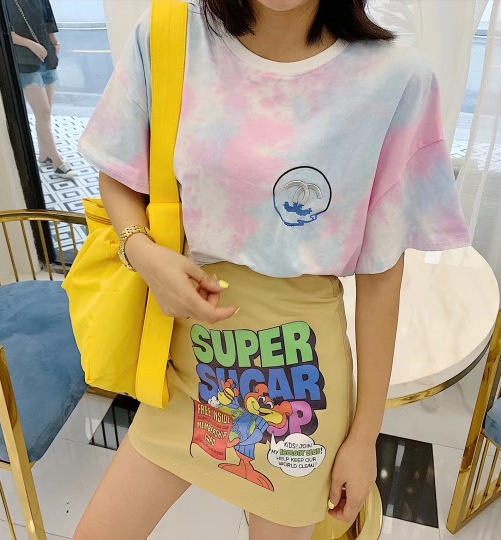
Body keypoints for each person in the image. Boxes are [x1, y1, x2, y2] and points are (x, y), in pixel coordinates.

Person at [73, 1, 472, 539]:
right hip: (188, 367)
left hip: (301, 385)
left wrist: (364, 438)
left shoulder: (396, 79)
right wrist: (141, 252)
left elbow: (382, 273)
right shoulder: (172, 36)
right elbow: (120, 171)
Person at [6, 0, 75, 178]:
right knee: (43, 112)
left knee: (45, 113)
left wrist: (55, 43)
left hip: (47, 57)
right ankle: (57, 163)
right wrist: (31, 44)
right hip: (25, 61)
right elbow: (6, 32)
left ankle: (44, 154)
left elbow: (48, 19)